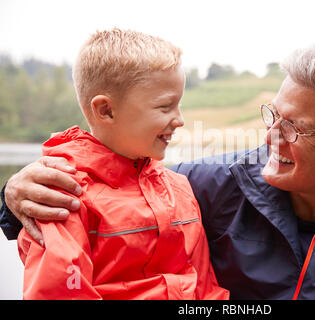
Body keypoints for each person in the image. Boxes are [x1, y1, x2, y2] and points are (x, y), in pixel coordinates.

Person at [1, 43, 315, 299]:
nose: (271, 135)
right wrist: (13, 195)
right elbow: (113, 190)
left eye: (295, 128)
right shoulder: (203, 185)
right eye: (273, 114)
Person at [3, 28, 229, 300]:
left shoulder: (179, 188)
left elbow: (204, 285)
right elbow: (61, 292)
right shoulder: (61, 195)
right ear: (106, 110)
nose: (179, 119)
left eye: (179, 105)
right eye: (165, 107)